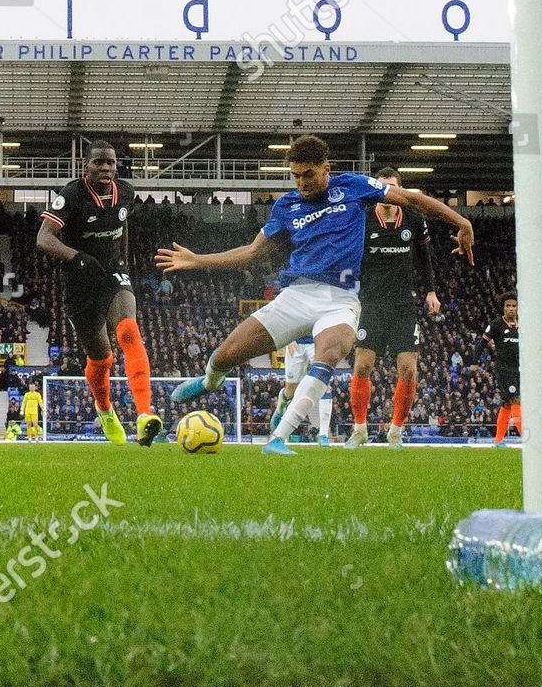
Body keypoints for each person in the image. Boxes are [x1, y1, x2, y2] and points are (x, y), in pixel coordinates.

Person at [160, 134, 474, 456]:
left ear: (327, 169)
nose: (302, 183)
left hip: (340, 300)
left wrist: (461, 220)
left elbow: (411, 199)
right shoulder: (286, 206)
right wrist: (198, 260)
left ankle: (278, 439)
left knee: (329, 353)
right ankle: (209, 381)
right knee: (226, 355)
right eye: (295, 175)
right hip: (295, 296)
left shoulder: (352, 187)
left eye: (308, 174)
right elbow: (253, 252)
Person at [37, 140, 163, 447]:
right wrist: (77, 257)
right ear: (86, 167)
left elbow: (123, 229)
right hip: (79, 284)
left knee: (129, 331)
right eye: (98, 163)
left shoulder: (127, 193)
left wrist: (123, 261)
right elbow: (44, 238)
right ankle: (105, 409)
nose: (105, 168)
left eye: (110, 163)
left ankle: (145, 414)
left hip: (112, 274)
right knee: (102, 358)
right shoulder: (70, 196)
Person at [345, 167, 440, 449]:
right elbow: (350, 258)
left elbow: (424, 255)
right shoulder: (363, 219)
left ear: (400, 190)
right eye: (382, 187)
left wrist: (431, 291)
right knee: (363, 365)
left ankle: (396, 431)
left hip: (403, 304)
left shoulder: (414, 217)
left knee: (409, 369)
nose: (388, 194)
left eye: (392, 187)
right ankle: (359, 430)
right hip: (371, 302)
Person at [482, 292, 521, 446]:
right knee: (516, 400)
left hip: (519, 369)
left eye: (514, 306)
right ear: (503, 308)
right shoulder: (497, 324)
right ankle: (527, 438)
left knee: (506, 404)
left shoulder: (522, 324)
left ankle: (498, 441)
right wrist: (473, 361)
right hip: (504, 369)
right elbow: (482, 343)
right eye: (508, 306)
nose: (511, 309)